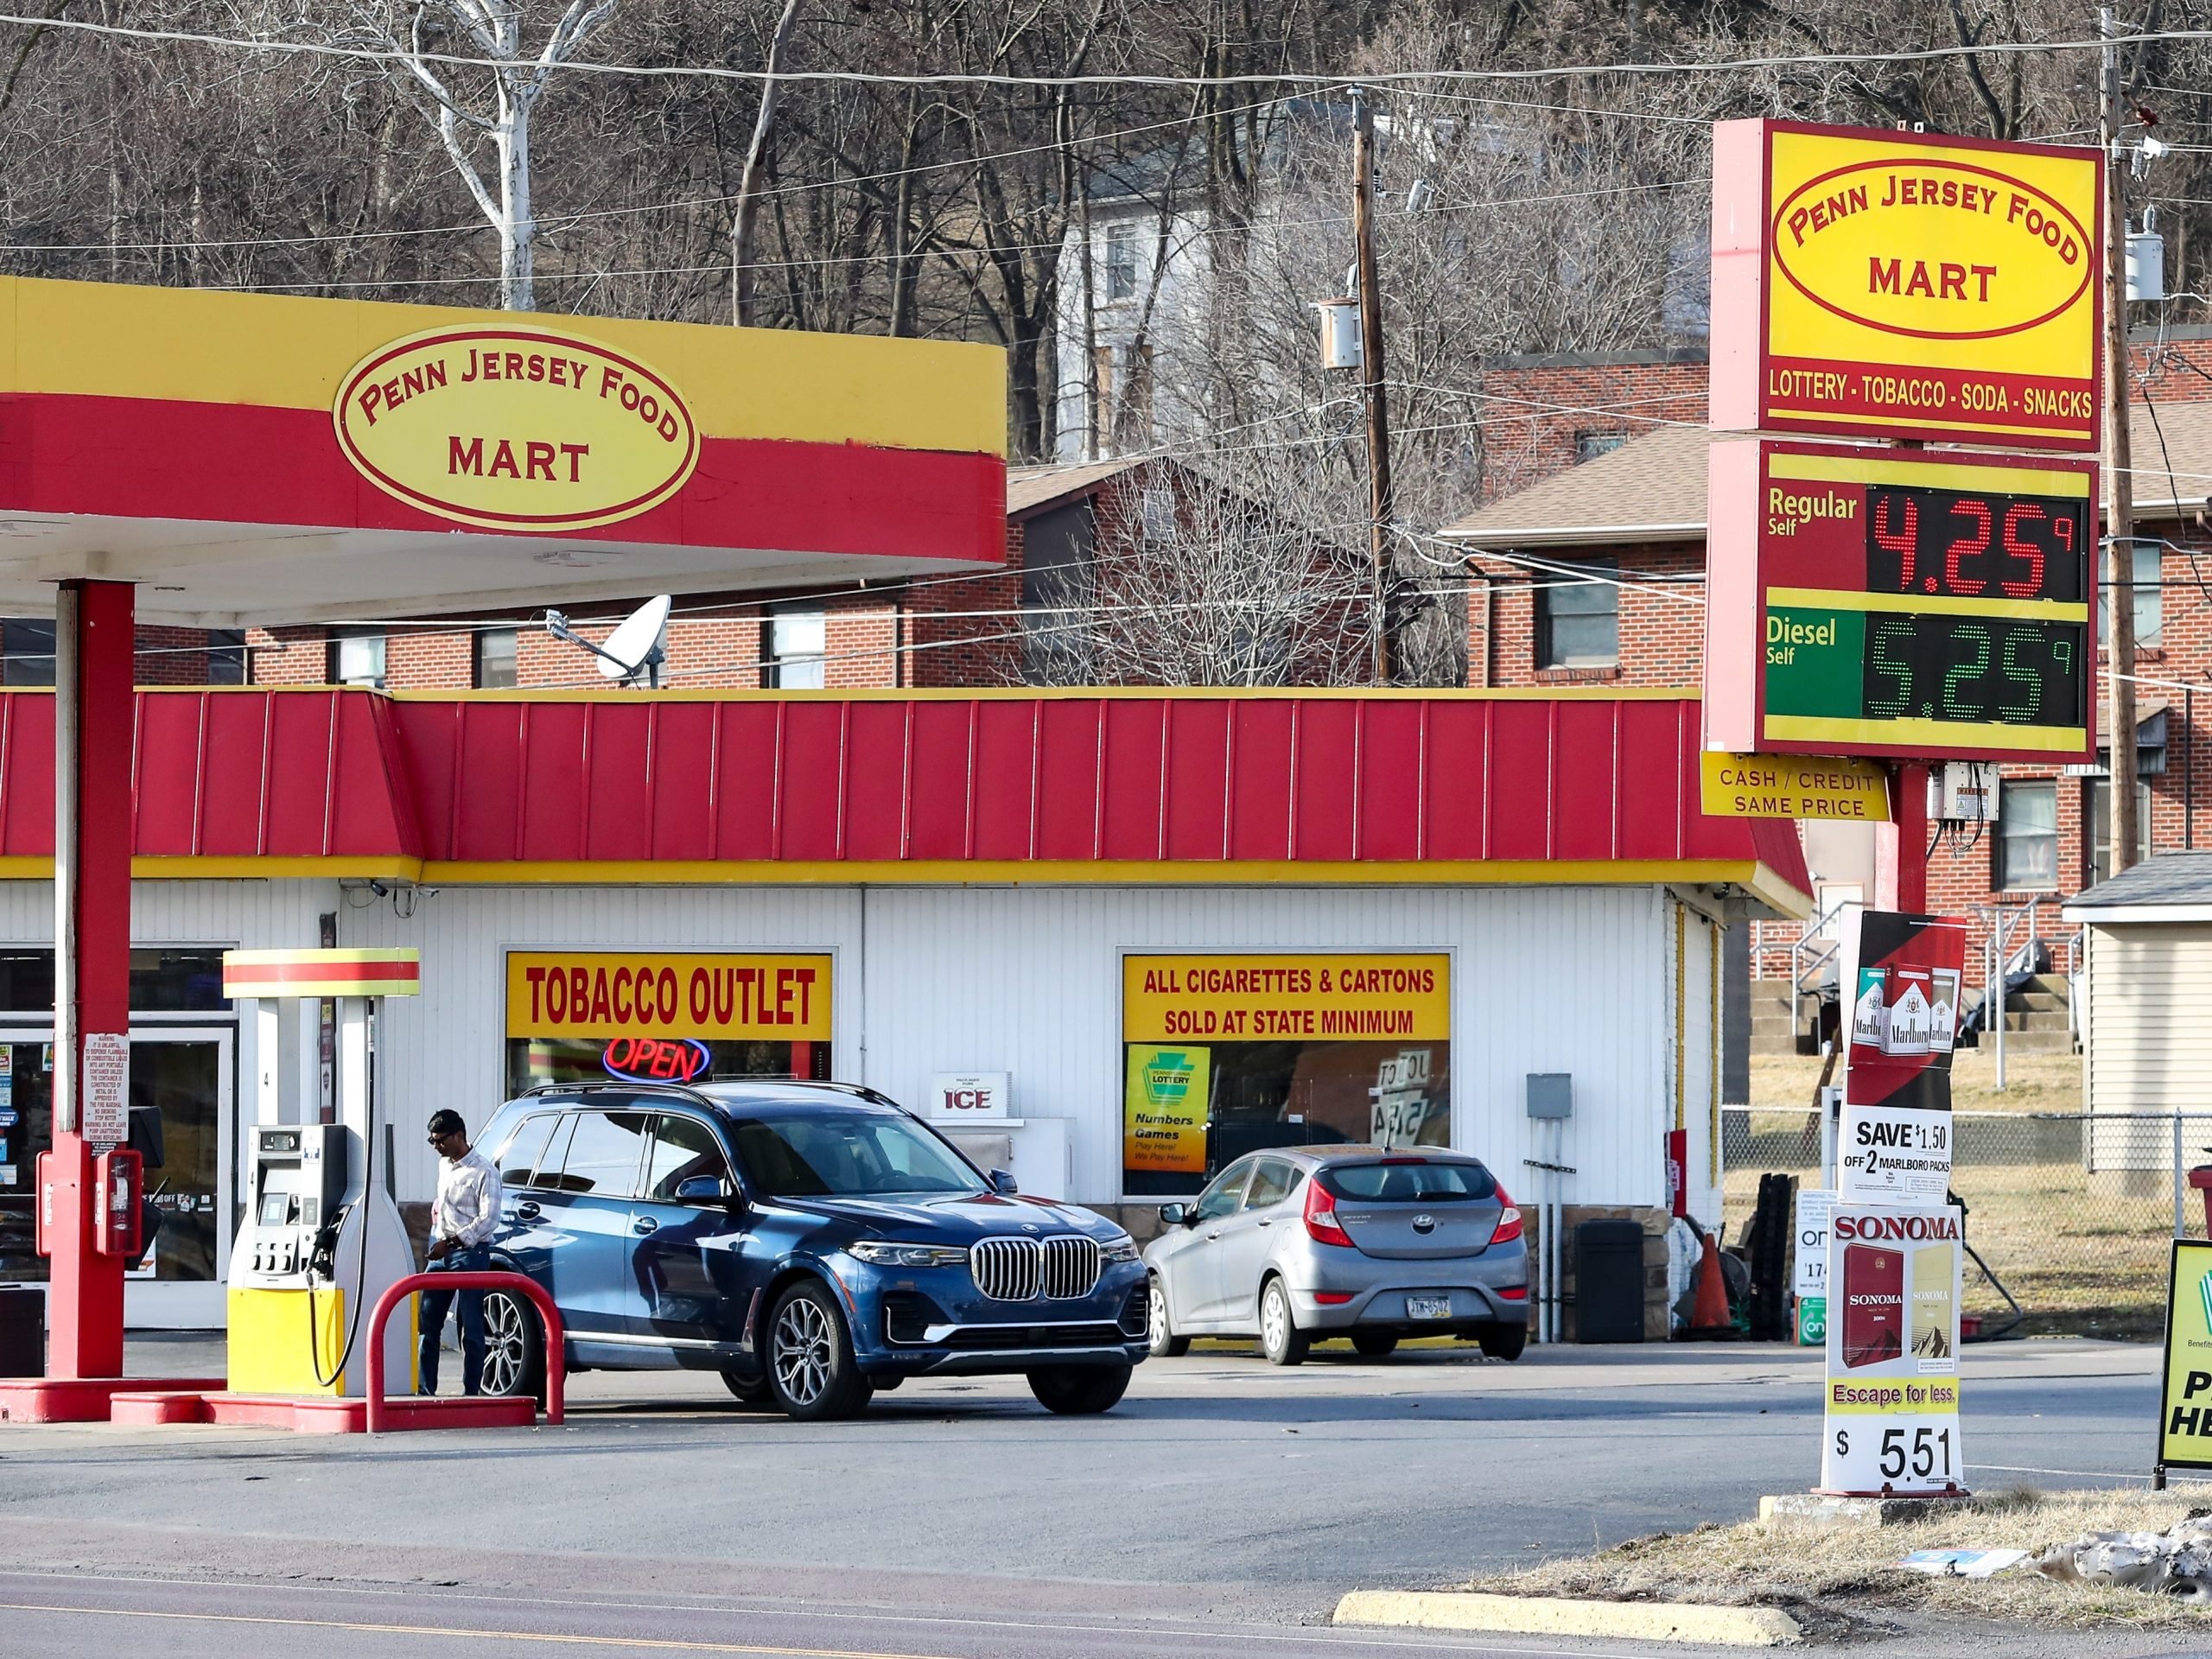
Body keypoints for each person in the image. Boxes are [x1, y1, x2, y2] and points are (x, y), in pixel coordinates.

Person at [420, 1109, 501, 1395]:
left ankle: (472, 1393)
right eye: (432, 1141)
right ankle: (425, 1390)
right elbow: (445, 1200)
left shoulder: (485, 1171)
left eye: (440, 1140)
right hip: (441, 1251)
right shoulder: (445, 1165)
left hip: (470, 1252)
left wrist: (453, 1241)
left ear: (459, 1136)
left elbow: (489, 1219)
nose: (436, 1147)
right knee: (427, 1322)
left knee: (472, 1327)